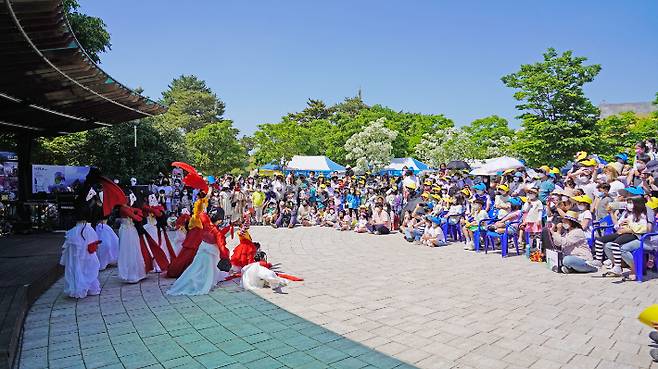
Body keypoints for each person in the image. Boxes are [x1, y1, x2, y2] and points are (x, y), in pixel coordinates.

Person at [167, 211, 231, 296]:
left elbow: (201, 214)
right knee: (208, 270)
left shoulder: (206, 224)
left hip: (202, 250)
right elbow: (221, 246)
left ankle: (191, 280)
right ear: (219, 220)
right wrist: (225, 257)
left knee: (195, 268)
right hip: (211, 253)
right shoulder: (217, 232)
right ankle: (200, 282)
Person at [592, 197, 649, 276]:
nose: (628, 205)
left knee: (615, 244)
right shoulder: (626, 214)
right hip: (621, 232)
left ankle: (618, 266)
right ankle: (599, 260)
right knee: (599, 240)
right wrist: (618, 223)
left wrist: (629, 224)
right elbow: (617, 225)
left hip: (633, 234)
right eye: (628, 202)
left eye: (631, 203)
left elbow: (641, 229)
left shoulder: (641, 215)